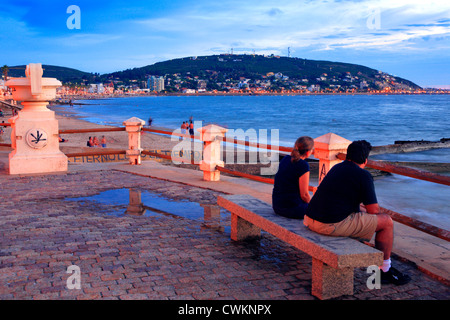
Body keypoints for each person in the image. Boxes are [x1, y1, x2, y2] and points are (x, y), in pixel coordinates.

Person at [304, 140, 411, 285]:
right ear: (365, 160)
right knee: (387, 222)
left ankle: (381, 266)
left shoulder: (336, 168)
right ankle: (384, 270)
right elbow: (373, 211)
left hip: (310, 219)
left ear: (347, 155)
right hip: (328, 225)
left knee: (360, 214)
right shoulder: (363, 175)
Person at [272, 136, 314, 219]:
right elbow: (304, 195)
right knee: (320, 209)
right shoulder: (303, 165)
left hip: (277, 205)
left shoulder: (285, 159)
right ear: (308, 152)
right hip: (292, 208)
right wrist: (312, 206)